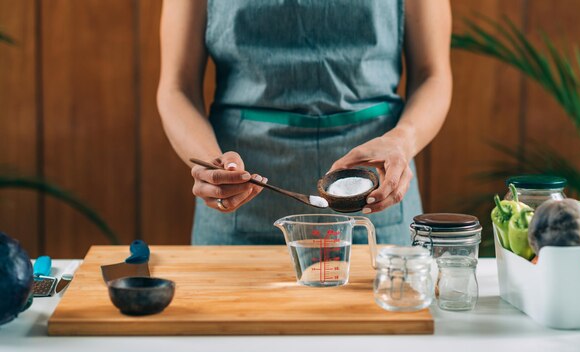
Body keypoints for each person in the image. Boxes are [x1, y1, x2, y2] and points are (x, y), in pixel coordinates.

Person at [157, 0, 452, 245]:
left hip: (378, 203)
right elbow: (176, 88)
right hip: (238, 207)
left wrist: (402, 141)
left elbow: (433, 74)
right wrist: (213, 165)